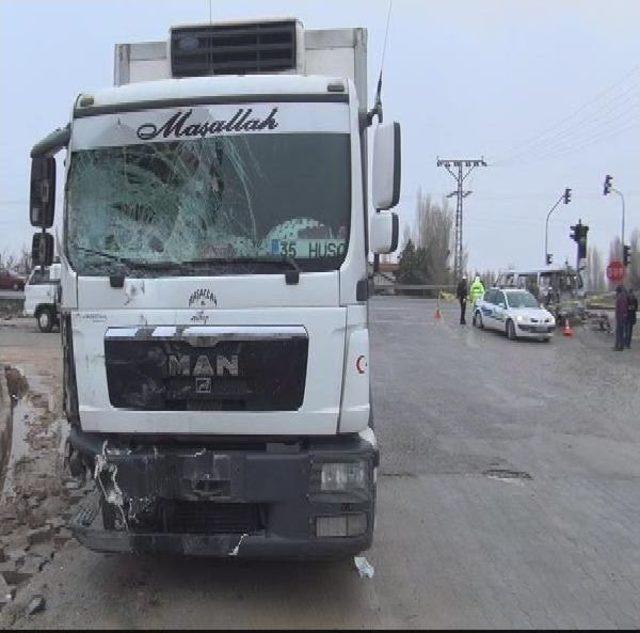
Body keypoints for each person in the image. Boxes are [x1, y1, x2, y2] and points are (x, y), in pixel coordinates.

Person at [614, 285, 628, 351]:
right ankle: (618, 345)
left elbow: (622, 309)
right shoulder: (622, 297)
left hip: (620, 318)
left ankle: (620, 346)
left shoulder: (621, 298)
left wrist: (621, 317)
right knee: (619, 332)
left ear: (618, 291)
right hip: (620, 317)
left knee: (620, 332)